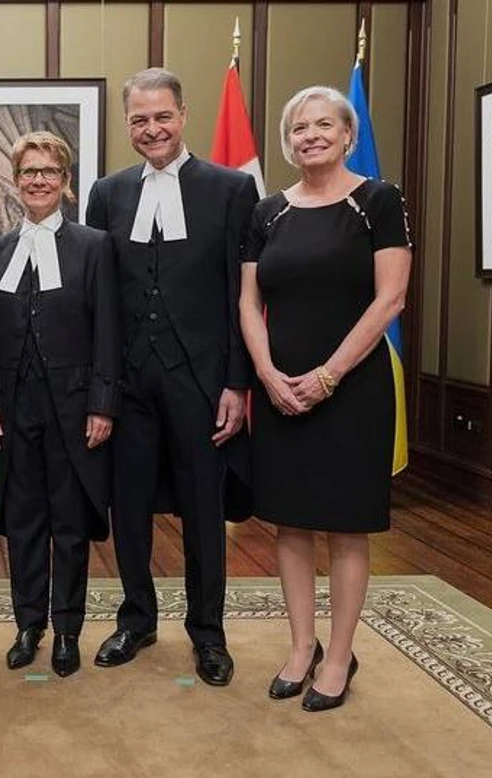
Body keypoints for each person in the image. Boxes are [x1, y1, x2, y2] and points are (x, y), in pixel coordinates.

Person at [240, 86, 411, 712]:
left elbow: (390, 299)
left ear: (347, 135)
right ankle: (300, 647)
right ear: (288, 141)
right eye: (299, 128)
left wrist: (329, 376)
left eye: (323, 125)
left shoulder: (378, 201)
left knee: (345, 526)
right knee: (289, 523)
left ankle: (339, 657)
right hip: (281, 389)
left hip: (353, 388)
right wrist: (267, 374)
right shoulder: (266, 212)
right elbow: (248, 303)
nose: (310, 135)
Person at [86, 67, 258, 686]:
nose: (152, 128)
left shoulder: (232, 189)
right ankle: (137, 618)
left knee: (203, 509)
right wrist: (102, 386)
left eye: (162, 116)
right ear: (127, 124)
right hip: (129, 380)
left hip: (202, 379)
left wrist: (237, 383)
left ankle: (208, 633)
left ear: (183, 115)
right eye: (139, 119)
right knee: (128, 504)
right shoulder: (107, 193)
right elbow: (97, 295)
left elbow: (244, 294)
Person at [0, 131, 119, 677]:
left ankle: (67, 629)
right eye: (29, 172)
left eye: (49, 172)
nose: (38, 181)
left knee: (70, 522)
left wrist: (103, 404)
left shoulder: (94, 246)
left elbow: (108, 330)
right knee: (25, 519)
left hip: (75, 408)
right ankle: (28, 623)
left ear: (66, 182)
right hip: (15, 406)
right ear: (16, 181)